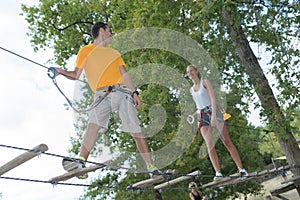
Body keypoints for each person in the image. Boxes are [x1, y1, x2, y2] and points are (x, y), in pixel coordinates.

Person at [56, 22, 159, 178]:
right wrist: (60, 71)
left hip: (122, 92)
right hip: (102, 94)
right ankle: (81, 160)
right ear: (102, 30)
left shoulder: (114, 53)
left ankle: (152, 167)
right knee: (93, 126)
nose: (111, 34)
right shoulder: (85, 51)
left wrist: (134, 92)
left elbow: (125, 74)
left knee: (136, 131)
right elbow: (76, 75)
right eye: (109, 30)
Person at [186, 65, 248, 181]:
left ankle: (241, 169)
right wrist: (192, 116)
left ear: (196, 71)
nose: (190, 73)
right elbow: (199, 106)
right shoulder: (191, 90)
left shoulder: (205, 82)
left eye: (192, 71)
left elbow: (213, 99)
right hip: (202, 115)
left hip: (214, 111)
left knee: (226, 141)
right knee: (209, 144)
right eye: (188, 72)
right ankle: (218, 173)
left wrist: (213, 116)